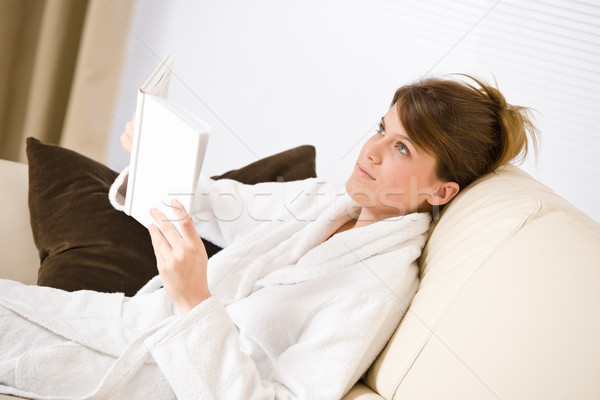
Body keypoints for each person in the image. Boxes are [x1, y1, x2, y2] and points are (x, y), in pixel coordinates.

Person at [0, 75, 537, 399]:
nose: (371, 151)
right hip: (125, 326)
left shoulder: (382, 286)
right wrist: (156, 159)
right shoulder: (328, 200)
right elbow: (215, 204)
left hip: (161, 381)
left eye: (402, 149)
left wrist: (194, 302)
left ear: (441, 192)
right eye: (382, 128)